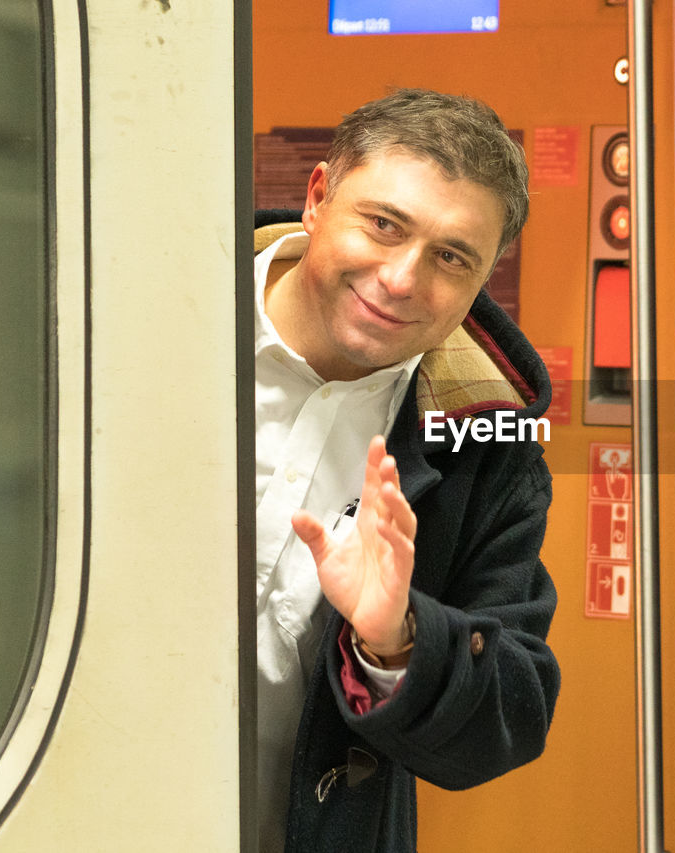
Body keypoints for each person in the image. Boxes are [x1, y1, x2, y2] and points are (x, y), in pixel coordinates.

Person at [253, 89, 559, 852]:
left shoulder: (490, 451)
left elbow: (507, 722)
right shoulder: (136, 315)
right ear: (319, 197)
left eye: (451, 257)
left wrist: (397, 641)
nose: (400, 279)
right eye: (384, 224)